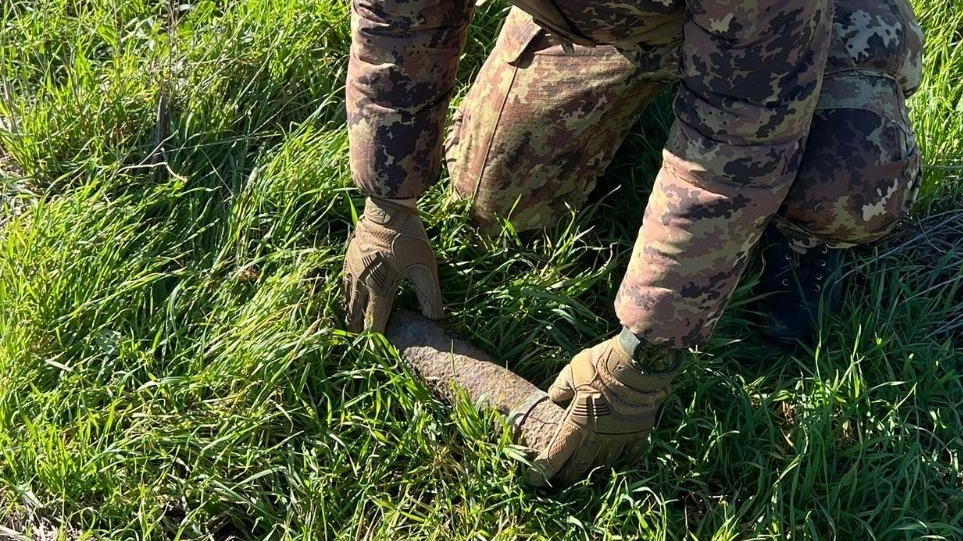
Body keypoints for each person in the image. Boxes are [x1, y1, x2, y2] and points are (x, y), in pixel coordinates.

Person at [341, 0, 924, 486]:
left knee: (849, 182)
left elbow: (743, 134)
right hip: (606, 19)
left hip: (792, 33)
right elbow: (399, 25)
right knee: (499, 203)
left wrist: (644, 353)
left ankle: (801, 238)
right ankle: (653, 97)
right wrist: (387, 203)